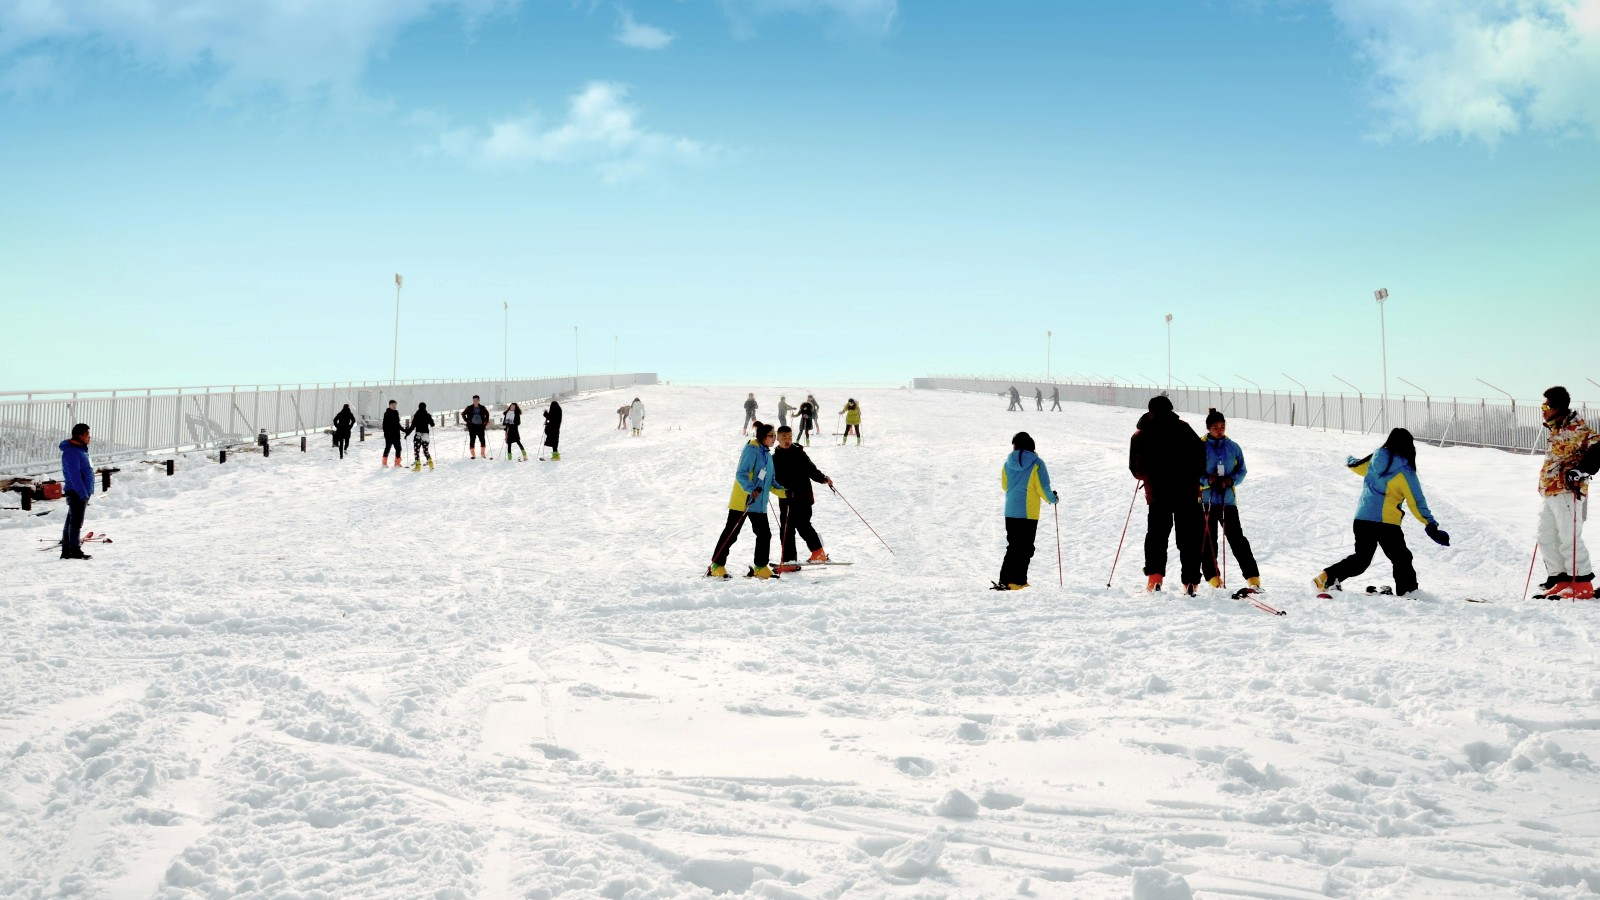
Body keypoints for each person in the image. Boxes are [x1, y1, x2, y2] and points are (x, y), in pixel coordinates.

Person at [1313, 428, 1449, 596]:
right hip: (1386, 523)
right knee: (1401, 558)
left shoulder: (1374, 460)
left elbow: (1355, 465)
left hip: (1362, 519)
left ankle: (1327, 577)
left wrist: (1347, 458)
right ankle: (1408, 591)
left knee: (1361, 559)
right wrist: (1430, 524)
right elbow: (1416, 502)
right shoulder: (1405, 471)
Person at [1129, 394, 1205, 595]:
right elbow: (1201, 456)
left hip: (1157, 494)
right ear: (1171, 408)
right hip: (1186, 492)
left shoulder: (1140, 434)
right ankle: (1190, 582)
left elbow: (1136, 469)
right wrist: (1194, 476)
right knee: (1188, 537)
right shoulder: (1184, 428)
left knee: (1157, 536)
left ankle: (1155, 579)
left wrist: (1148, 476)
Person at [1534, 386, 1600, 599]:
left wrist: (1582, 470)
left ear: (1557, 407)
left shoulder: (1576, 428)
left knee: (1568, 536)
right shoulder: (1556, 428)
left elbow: (1598, 447)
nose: (1542, 410)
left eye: (1545, 406)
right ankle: (1561, 579)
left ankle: (1581, 583)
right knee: (1545, 535)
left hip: (1568, 490)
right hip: (1551, 490)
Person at [707, 422, 786, 579]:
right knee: (731, 533)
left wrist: (785, 493)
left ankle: (760, 567)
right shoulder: (751, 450)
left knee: (764, 535)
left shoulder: (768, 456)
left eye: (775, 435)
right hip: (743, 500)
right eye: (772, 436)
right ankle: (716, 565)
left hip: (759, 503)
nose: (774, 439)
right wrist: (751, 489)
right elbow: (741, 474)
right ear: (763, 437)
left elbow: (771, 482)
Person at [1198, 409, 1261, 592]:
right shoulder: (1200, 446)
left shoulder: (1233, 446)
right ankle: (1213, 578)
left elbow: (1242, 470)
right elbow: (1192, 472)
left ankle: (1253, 577)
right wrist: (1206, 480)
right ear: (1209, 428)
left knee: (1237, 540)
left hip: (1228, 500)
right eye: (1216, 427)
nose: (1220, 430)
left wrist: (1232, 480)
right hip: (1206, 501)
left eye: (1222, 427)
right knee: (1209, 540)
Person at [994, 431, 1058, 590]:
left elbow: (1005, 485)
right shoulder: (1037, 463)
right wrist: (1053, 499)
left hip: (1010, 510)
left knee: (1013, 546)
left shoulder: (1007, 464)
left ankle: (1006, 579)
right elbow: (1043, 488)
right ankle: (1017, 581)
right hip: (1028, 512)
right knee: (1025, 548)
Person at [772, 425, 833, 571]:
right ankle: (789, 561)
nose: (787, 440)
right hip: (786, 499)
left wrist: (823, 478)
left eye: (789, 437)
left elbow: (811, 469)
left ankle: (818, 554)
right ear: (777, 438)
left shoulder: (799, 453)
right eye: (784, 437)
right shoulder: (774, 458)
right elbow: (773, 478)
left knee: (803, 525)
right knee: (786, 530)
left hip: (803, 497)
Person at [59, 424, 94, 560]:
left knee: (71, 521)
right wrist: (82, 493)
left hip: (80, 491)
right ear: (79, 436)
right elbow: (74, 475)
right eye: (87, 434)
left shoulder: (80, 450)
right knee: (75, 523)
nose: (89, 437)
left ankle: (67, 551)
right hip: (76, 492)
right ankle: (74, 551)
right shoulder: (72, 452)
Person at [403, 402, 435, 470]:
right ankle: (431, 464)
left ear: (419, 407)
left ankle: (418, 466)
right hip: (426, 436)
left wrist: (407, 434)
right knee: (425, 451)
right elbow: (432, 424)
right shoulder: (427, 415)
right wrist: (430, 420)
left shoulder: (417, 415)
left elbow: (412, 426)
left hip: (418, 435)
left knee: (416, 451)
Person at [381, 400, 404, 468]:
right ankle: (384, 462)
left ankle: (397, 463)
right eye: (393, 405)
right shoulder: (387, 413)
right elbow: (384, 425)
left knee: (398, 448)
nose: (394, 406)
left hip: (396, 434)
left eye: (395, 405)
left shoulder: (396, 412)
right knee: (388, 448)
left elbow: (397, 424)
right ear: (390, 405)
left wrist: (404, 430)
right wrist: (386, 434)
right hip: (389, 435)